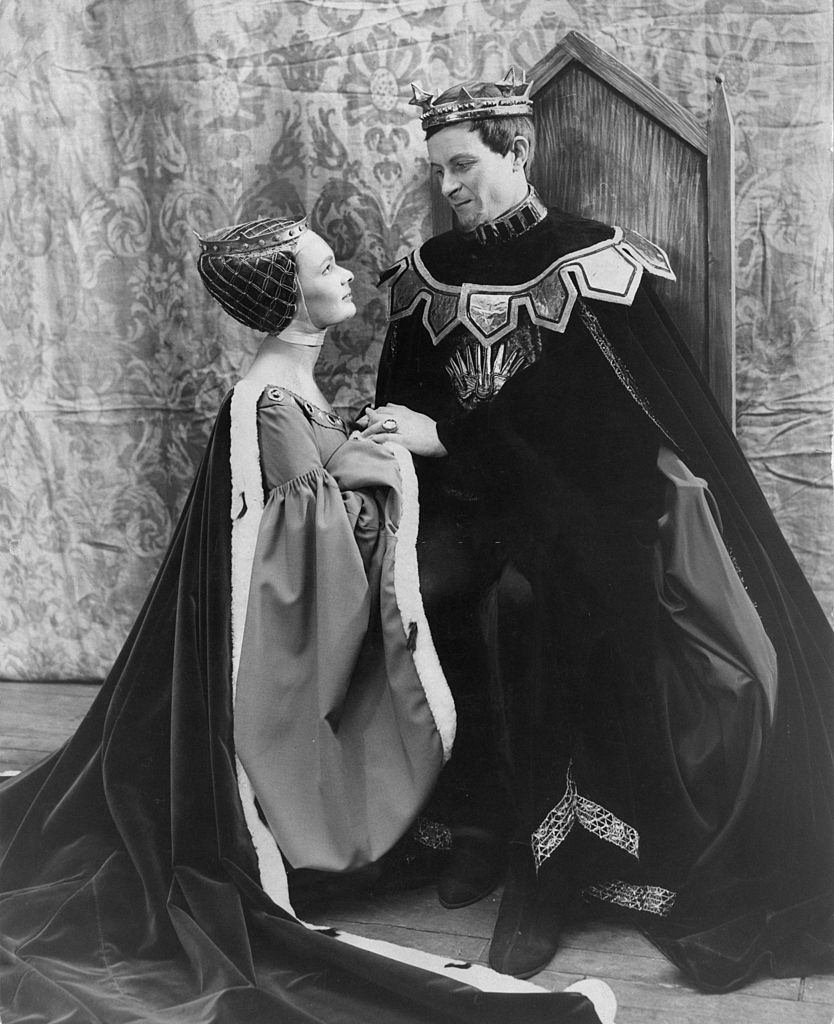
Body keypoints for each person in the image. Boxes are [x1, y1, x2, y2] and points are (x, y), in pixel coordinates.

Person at [0, 213, 620, 1024]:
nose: (349, 277)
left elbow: (317, 489)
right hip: (270, 662)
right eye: (329, 269)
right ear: (295, 302)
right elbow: (320, 549)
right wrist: (389, 459)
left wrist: (354, 446)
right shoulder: (269, 402)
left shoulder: (290, 385)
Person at [361, 68, 834, 989]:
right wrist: (393, 435)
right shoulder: (428, 277)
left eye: (464, 165)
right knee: (420, 582)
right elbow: (402, 400)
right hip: (469, 505)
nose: (450, 187)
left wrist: (453, 437)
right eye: (439, 171)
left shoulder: (592, 263)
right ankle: (478, 825)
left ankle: (551, 866)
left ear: (518, 151)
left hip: (588, 509)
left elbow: (617, 441)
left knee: (533, 598)